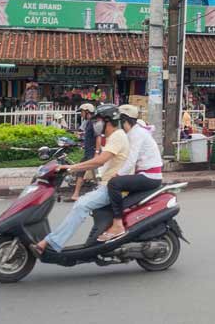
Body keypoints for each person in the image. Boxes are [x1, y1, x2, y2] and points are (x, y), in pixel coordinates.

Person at [30, 104, 130, 255]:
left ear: (107, 121)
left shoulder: (118, 136)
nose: (95, 124)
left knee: (81, 205)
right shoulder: (113, 136)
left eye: (98, 121)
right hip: (106, 184)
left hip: (111, 187)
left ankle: (52, 242)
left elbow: (99, 161)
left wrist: (71, 168)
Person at [99, 105, 163, 242]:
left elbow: (131, 160)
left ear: (124, 120)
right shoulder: (133, 133)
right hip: (144, 174)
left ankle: (117, 224)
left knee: (114, 184)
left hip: (149, 176)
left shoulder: (136, 134)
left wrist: (117, 175)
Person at [71, 102, 97, 201]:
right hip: (88, 152)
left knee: (96, 175)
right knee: (80, 171)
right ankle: (75, 194)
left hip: (92, 153)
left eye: (82, 112)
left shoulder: (94, 122)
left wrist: (97, 152)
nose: (81, 114)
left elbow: (98, 137)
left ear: (87, 112)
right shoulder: (89, 122)